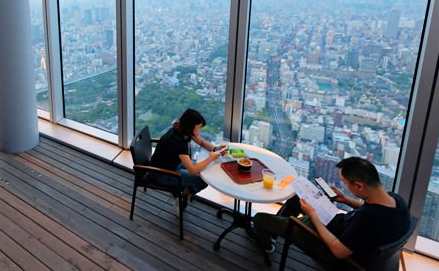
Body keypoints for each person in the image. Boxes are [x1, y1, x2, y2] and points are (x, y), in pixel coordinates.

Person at [252, 157, 411, 268]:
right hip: (337, 224)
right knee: (296, 198)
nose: (344, 185)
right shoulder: (396, 201)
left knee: (259, 219)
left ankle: (267, 244)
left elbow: (339, 251)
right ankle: (275, 231)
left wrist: (313, 215)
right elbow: (368, 209)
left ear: (360, 186)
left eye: (345, 183)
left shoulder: (368, 219)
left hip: (325, 242)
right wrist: (345, 199)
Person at [150, 108, 226, 214]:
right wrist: (211, 158)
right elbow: (193, 171)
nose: (200, 130)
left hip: (171, 164)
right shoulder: (178, 141)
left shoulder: (181, 129)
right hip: (162, 173)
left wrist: (215, 149)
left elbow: (202, 142)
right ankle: (183, 198)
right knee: (203, 179)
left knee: (205, 171)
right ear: (191, 126)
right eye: (199, 127)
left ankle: (183, 194)